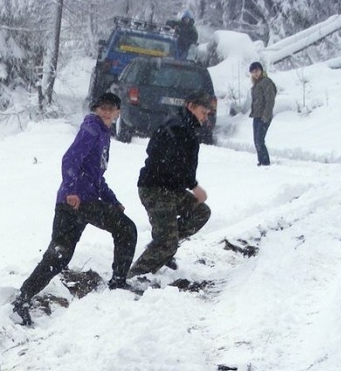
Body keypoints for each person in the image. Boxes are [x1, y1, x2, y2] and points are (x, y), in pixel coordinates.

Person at [12, 92, 137, 324]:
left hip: (75, 203)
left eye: (112, 109)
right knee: (127, 229)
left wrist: (112, 200)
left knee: (59, 255)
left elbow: (96, 177)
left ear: (118, 112)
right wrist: (71, 191)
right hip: (78, 202)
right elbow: (69, 160)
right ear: (96, 109)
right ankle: (118, 283)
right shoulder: (92, 129)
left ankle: (22, 298)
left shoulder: (103, 133)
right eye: (103, 108)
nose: (107, 112)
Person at [126, 91, 213, 279]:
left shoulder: (184, 125)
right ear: (191, 106)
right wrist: (194, 185)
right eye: (203, 112)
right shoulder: (178, 127)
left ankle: (163, 248)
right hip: (155, 189)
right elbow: (172, 162)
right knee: (167, 242)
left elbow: (181, 164)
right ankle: (134, 276)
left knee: (200, 212)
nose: (205, 117)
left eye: (207, 114)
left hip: (171, 188)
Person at [249, 61, 277, 166]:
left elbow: (270, 100)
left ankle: (265, 162)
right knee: (256, 141)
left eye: (257, 70)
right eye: (253, 72)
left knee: (260, 140)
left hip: (264, 116)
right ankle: (260, 161)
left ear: (261, 70)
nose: (255, 73)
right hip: (256, 116)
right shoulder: (256, 84)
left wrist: (266, 115)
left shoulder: (266, 82)